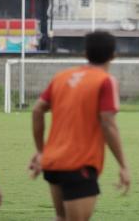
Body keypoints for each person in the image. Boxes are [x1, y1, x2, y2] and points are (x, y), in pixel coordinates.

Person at [29, 31, 130, 221]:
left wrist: (40, 151)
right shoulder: (105, 81)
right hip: (78, 164)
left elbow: (37, 110)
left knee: (61, 218)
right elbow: (108, 124)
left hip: (52, 162)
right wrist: (123, 165)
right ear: (113, 55)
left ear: (85, 54)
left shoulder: (61, 76)